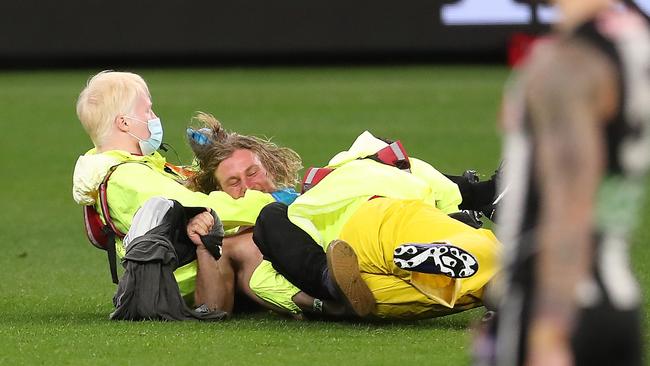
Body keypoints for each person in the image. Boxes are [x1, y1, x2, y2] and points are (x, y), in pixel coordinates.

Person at [186, 114, 502, 319]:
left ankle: (497, 284)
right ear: (218, 194)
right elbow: (211, 308)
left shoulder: (311, 197)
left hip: (371, 232)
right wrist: (203, 241)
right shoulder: (235, 236)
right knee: (275, 219)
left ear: (268, 165)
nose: (248, 186)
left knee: (478, 259)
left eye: (252, 173)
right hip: (345, 271)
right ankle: (335, 280)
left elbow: (405, 169)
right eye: (234, 183)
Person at [481, 1, 650, 365]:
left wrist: (549, 327)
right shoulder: (635, 41)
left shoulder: (568, 61)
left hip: (555, 299)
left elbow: (571, 199)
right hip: (618, 300)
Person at [72, 71, 279, 315]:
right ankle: (315, 298)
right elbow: (200, 206)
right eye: (147, 111)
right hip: (181, 275)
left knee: (255, 236)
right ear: (124, 123)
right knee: (255, 239)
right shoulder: (127, 177)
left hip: (181, 266)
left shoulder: (130, 168)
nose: (154, 117)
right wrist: (270, 203)